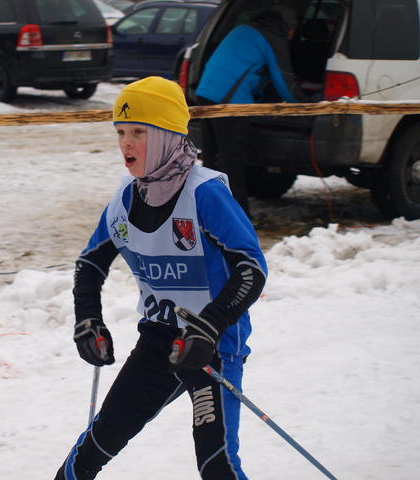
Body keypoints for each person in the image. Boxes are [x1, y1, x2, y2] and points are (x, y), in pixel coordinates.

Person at [54, 76, 267, 479]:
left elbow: (251, 267)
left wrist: (211, 326)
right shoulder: (126, 198)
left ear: (168, 135)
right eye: (120, 132)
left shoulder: (204, 193)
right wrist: (88, 320)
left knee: (217, 464)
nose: (126, 144)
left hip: (212, 346)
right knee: (90, 451)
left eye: (139, 132)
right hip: (159, 342)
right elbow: (90, 265)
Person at [195, 5, 301, 217]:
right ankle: (239, 216)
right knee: (232, 160)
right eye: (293, 31)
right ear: (287, 27)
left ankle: (205, 211)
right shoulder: (272, 37)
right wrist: (304, 104)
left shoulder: (244, 28)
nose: (292, 36)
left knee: (211, 158)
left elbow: (246, 69)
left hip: (205, 92)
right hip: (229, 103)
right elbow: (283, 79)